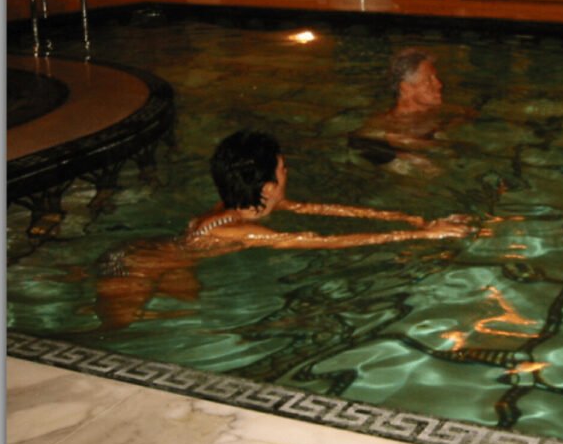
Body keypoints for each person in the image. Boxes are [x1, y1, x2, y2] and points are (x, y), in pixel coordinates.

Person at [93, 129, 476, 328]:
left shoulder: (249, 205)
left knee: (188, 311)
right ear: (267, 187)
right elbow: (326, 242)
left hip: (172, 258)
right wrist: (421, 237)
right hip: (135, 265)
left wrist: (409, 219)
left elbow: (324, 210)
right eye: (282, 169)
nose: (287, 172)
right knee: (119, 329)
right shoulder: (239, 230)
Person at [349, 48, 474, 170]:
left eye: (436, 78)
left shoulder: (441, 111)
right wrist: (406, 153)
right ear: (406, 88)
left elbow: (469, 113)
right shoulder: (386, 123)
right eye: (429, 80)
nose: (439, 84)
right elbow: (358, 143)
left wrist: (446, 128)